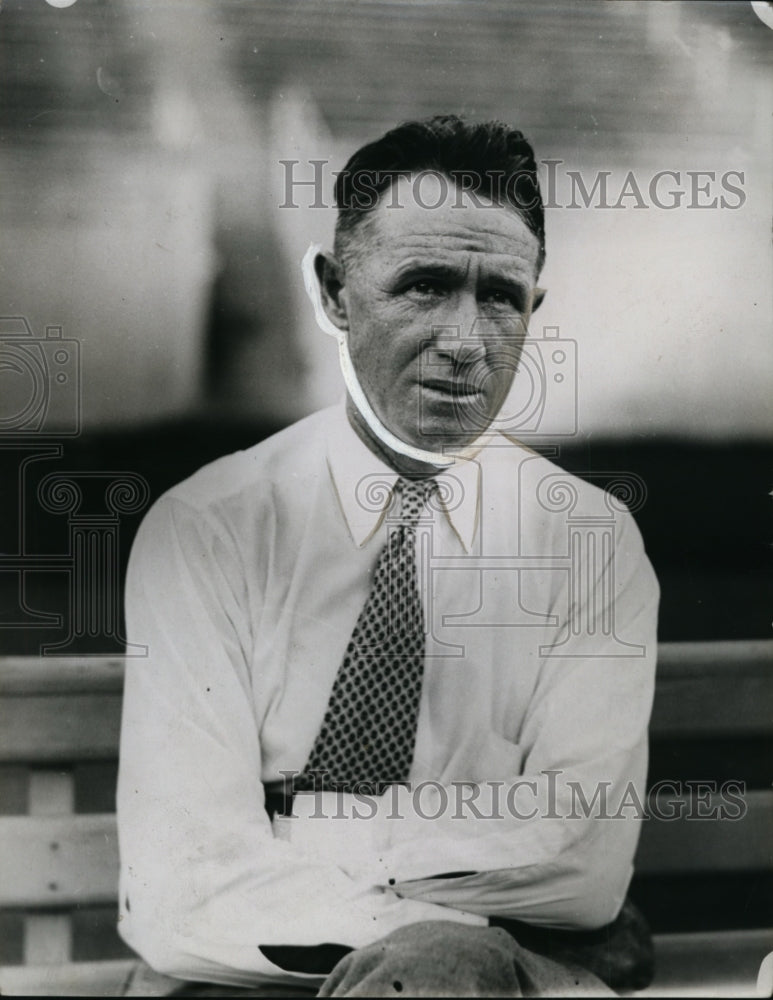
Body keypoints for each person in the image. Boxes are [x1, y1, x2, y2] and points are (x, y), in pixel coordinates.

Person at [117, 116, 659, 997]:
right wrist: (428, 913)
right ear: (335, 295)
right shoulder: (209, 530)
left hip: (495, 972)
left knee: (443, 970)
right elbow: (186, 883)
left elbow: (582, 866)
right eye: (424, 285)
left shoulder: (586, 542)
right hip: (239, 972)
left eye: (499, 297)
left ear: (534, 310)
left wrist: (300, 830)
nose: (465, 340)